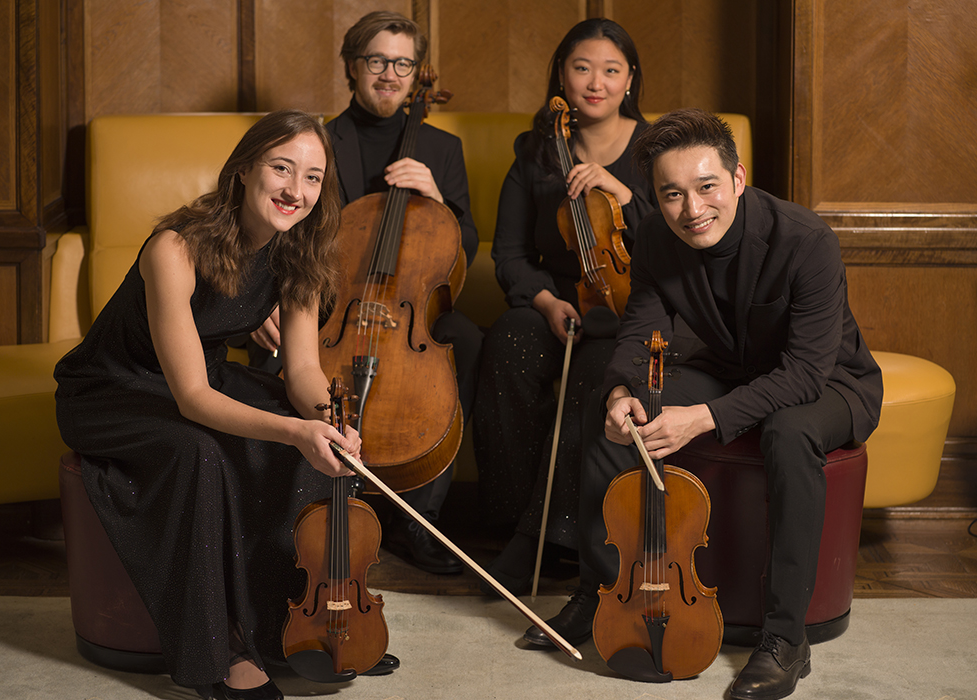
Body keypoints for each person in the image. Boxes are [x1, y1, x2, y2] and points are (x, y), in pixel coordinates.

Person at [525, 109, 883, 700]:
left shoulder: (806, 240)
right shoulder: (655, 238)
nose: (692, 209)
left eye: (707, 186)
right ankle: (600, 593)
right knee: (613, 409)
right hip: (732, 371)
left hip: (831, 383)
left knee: (788, 431)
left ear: (738, 178)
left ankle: (785, 639)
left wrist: (703, 418)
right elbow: (638, 333)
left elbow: (805, 372)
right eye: (672, 194)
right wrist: (620, 393)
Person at [54, 111, 368, 700]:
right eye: (281, 168)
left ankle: (287, 626)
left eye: (313, 177)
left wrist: (328, 420)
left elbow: (302, 370)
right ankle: (223, 651)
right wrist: (294, 432)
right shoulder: (174, 247)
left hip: (199, 373)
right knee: (199, 451)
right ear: (244, 169)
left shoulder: (300, 250)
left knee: (305, 431)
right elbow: (193, 399)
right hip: (111, 390)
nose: (296, 191)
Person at [248, 11, 481, 576]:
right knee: (273, 353)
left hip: (408, 309)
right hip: (325, 303)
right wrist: (263, 302)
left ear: (416, 74)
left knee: (468, 341)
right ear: (352, 67)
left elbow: (466, 245)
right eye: (377, 60)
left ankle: (417, 518)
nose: (390, 74)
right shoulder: (317, 142)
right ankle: (295, 510)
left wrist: (437, 200)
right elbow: (275, 227)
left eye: (403, 63)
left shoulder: (442, 149)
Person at [472, 18, 657, 595]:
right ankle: (511, 519)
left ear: (630, 79)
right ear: (561, 75)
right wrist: (548, 302)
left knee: (597, 375)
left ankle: (549, 538)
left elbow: (678, 243)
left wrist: (623, 194)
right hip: (560, 302)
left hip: (628, 310)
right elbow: (508, 253)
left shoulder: (655, 149)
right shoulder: (536, 152)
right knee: (509, 341)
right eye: (582, 68)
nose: (596, 83)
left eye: (611, 70)